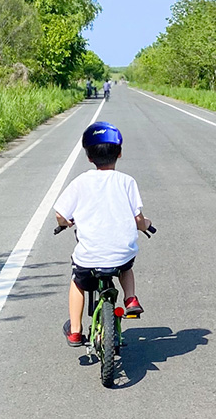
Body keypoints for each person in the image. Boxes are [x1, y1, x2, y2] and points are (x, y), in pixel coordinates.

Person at [53, 121, 152, 346]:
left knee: (78, 281)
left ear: (88, 157)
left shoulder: (80, 182)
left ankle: (76, 331)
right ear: (120, 153)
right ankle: (130, 299)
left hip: (89, 258)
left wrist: (66, 222)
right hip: (121, 255)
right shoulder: (127, 182)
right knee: (126, 266)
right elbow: (138, 220)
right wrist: (147, 224)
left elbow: (60, 214)